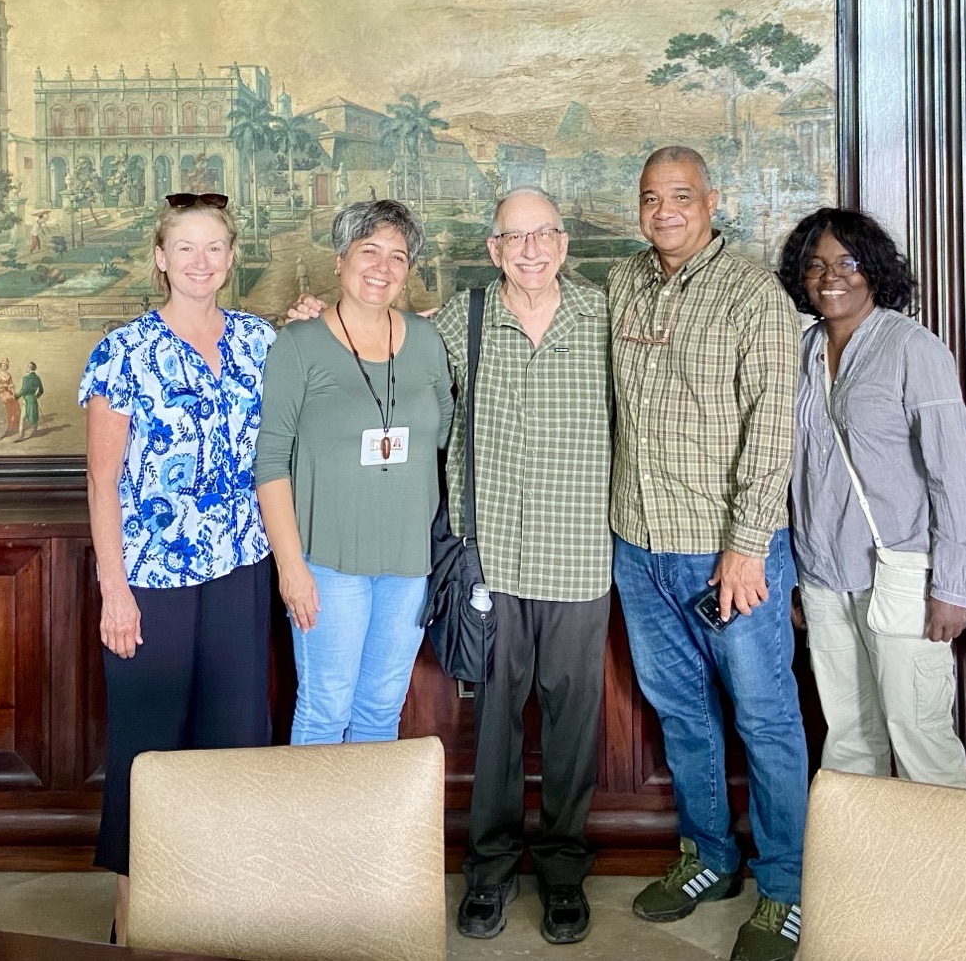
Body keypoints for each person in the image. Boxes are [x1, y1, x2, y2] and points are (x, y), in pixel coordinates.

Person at [607, 146, 806, 961]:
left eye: (680, 197)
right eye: (651, 198)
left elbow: (774, 429)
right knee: (682, 713)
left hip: (728, 554)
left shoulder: (753, 294)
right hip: (637, 546)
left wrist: (748, 547)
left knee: (764, 719)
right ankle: (709, 858)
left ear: (711, 201)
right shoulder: (623, 283)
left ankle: (785, 888)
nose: (665, 212)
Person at [78, 192, 275, 945]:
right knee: (147, 747)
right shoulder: (122, 352)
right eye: (185, 248)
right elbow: (102, 482)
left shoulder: (261, 342)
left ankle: (220, 911)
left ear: (231, 258)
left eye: (215, 248)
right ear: (161, 258)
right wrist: (114, 591)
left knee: (235, 740)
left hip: (239, 567)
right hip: (149, 578)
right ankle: (132, 919)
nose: (201, 261)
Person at [438, 189, 612, 947]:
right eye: (515, 237)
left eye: (543, 235)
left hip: (580, 557)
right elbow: (381, 349)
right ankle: (490, 871)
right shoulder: (463, 318)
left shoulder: (604, 317)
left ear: (564, 242)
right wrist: (314, 322)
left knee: (574, 725)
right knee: (497, 725)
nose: (531, 249)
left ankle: (565, 872)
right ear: (493, 248)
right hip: (494, 559)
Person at [779, 208, 966, 788]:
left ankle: (949, 878)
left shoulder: (911, 349)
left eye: (846, 262)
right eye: (815, 265)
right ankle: (862, 873)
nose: (830, 277)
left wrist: (953, 587)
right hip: (823, 577)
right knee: (847, 736)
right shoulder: (802, 352)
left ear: (872, 270)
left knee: (918, 733)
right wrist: (797, 577)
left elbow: (957, 474)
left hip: (903, 578)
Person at [256, 200, 453, 744]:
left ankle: (369, 834)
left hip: (409, 566)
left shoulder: (428, 342)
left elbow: (444, 438)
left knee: (380, 713)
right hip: (327, 567)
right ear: (340, 260)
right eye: (369, 251)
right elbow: (270, 462)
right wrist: (291, 568)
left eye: (397, 256)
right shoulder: (298, 344)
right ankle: (312, 834)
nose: (382, 267)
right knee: (325, 711)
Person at [15, 361, 44, 439]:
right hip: (33, 399)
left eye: (28, 367)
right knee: (34, 415)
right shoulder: (37, 378)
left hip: (27, 400)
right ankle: (34, 431)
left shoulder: (26, 378)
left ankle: (21, 436)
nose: (26, 368)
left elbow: (23, 390)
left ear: (30, 368)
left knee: (23, 418)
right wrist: (36, 396)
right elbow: (41, 390)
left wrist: (16, 396)